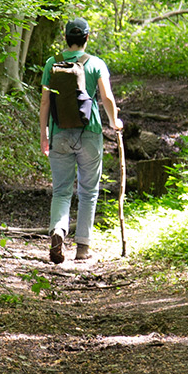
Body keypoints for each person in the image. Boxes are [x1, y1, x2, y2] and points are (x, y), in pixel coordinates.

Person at [39, 17, 122, 263]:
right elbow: (106, 97)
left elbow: (45, 102)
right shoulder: (96, 64)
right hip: (90, 133)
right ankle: (83, 247)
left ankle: (57, 231)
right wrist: (114, 121)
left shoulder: (51, 63)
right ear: (87, 38)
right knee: (88, 191)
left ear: (66, 38)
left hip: (59, 132)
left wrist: (44, 133)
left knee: (61, 191)